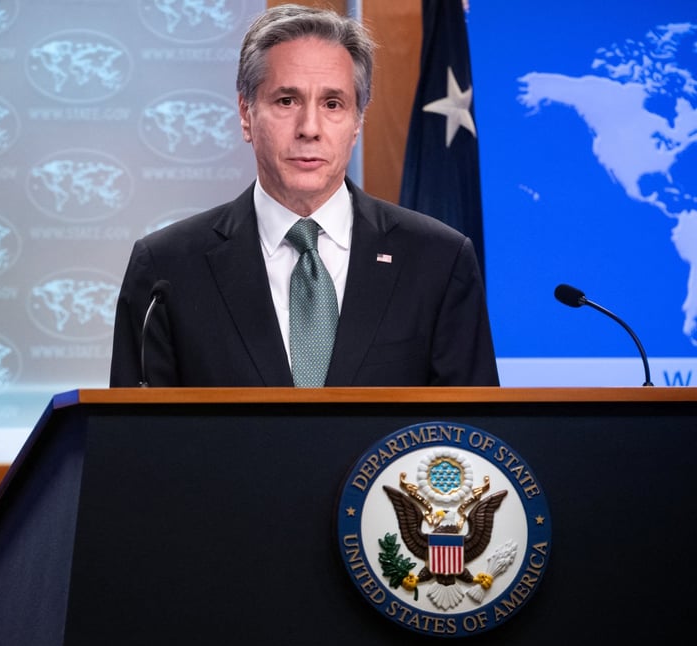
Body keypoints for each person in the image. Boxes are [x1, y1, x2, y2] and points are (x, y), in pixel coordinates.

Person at [109, 4, 499, 388]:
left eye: (333, 104)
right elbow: (135, 444)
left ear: (357, 122)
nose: (309, 128)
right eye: (286, 101)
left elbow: (472, 443)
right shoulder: (166, 268)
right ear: (246, 114)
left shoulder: (438, 261)